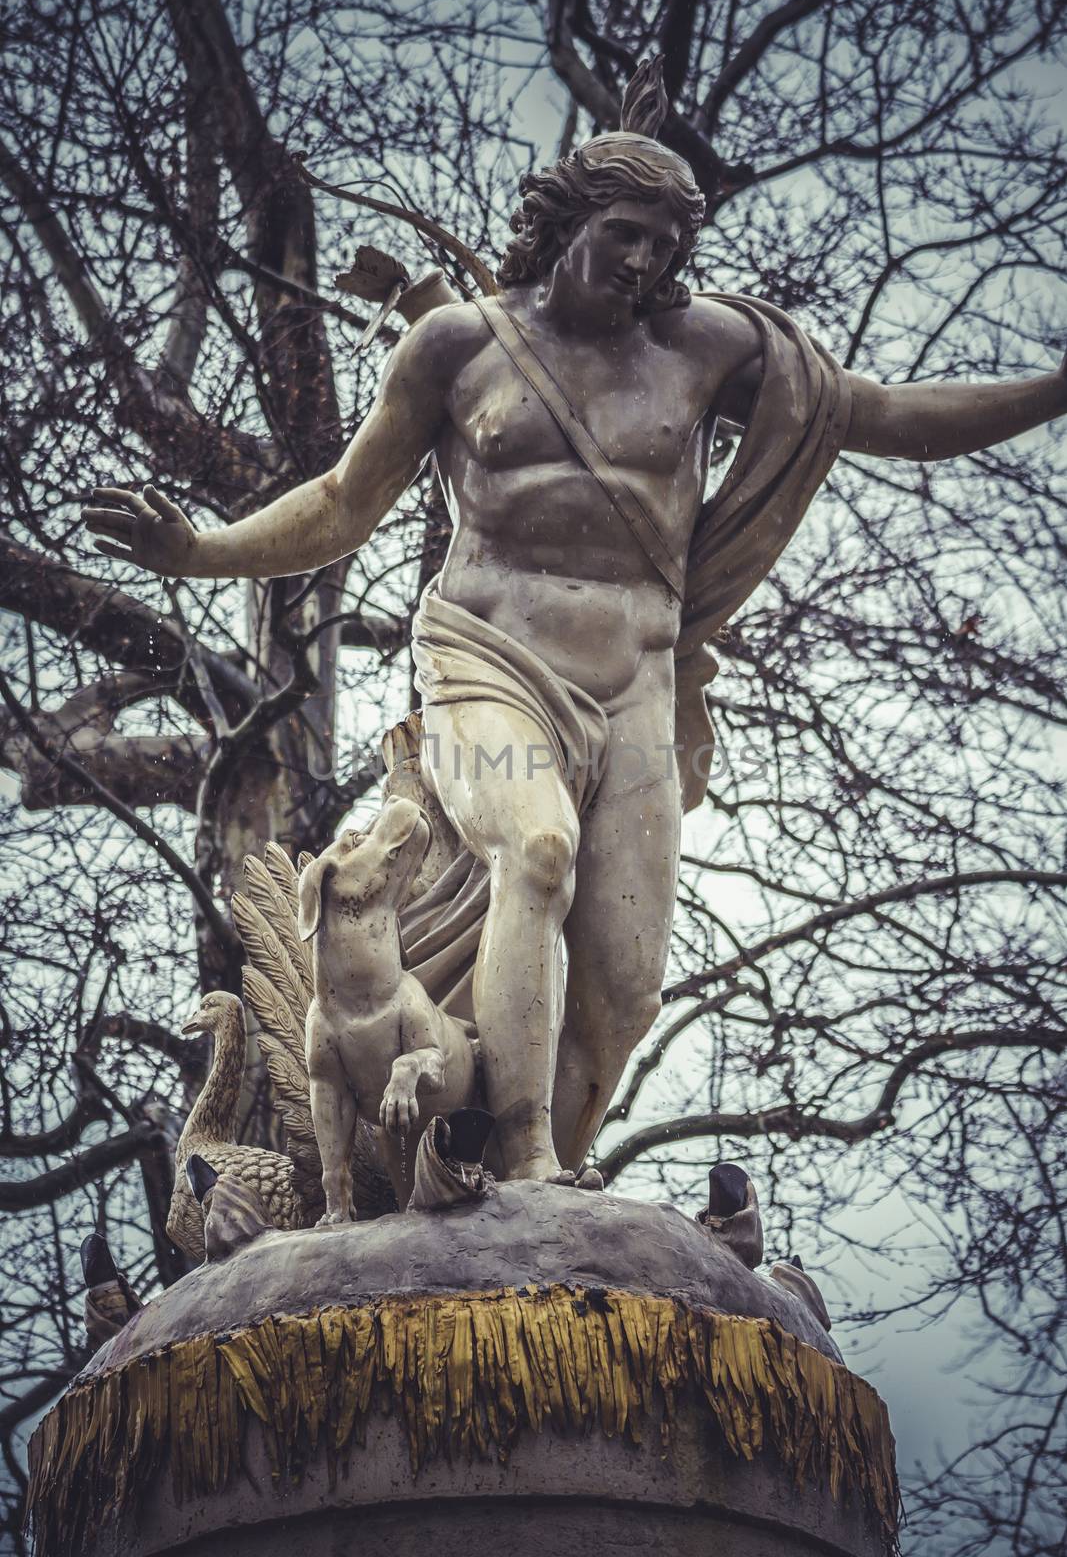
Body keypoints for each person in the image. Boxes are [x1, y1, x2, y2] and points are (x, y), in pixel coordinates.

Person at [86, 97, 1067, 1186]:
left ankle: (505, 1196)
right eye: (625, 232)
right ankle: (526, 1150)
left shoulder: (710, 349)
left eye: (666, 242)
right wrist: (199, 551)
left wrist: (1056, 387)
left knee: (623, 993)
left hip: (636, 690)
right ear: (567, 223)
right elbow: (339, 502)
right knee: (535, 847)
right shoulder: (456, 344)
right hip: (486, 660)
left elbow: (886, 414)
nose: (644, 261)